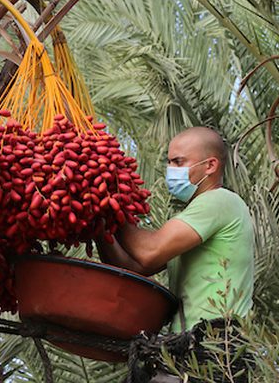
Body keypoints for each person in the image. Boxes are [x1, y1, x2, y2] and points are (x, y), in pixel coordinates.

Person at [97, 127, 255, 380]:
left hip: (215, 346)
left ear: (211, 165)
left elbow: (149, 252)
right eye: (169, 162)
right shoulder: (193, 219)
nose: (171, 169)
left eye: (179, 162)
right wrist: (100, 229)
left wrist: (109, 204)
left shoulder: (219, 201)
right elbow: (137, 267)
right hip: (186, 345)